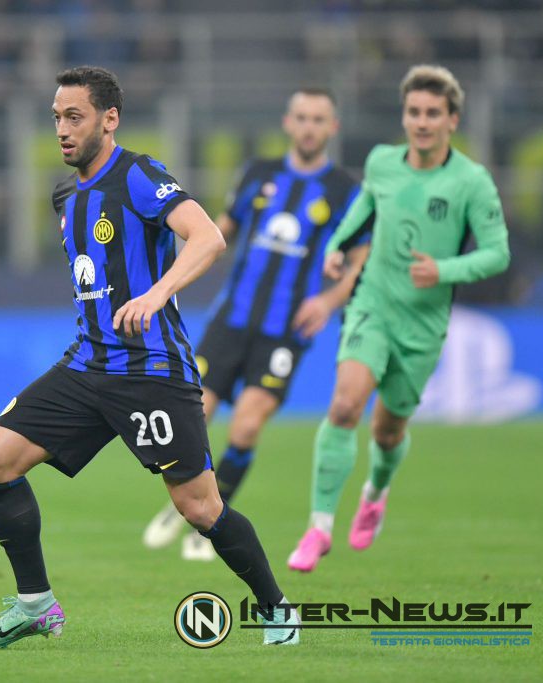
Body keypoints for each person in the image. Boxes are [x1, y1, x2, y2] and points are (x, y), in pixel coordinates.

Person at [0, 66, 300, 648]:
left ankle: (277, 610)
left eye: (75, 117)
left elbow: (209, 238)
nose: (63, 130)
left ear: (109, 118)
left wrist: (157, 291)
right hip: (89, 364)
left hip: (151, 371)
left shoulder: (140, 175)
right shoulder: (66, 195)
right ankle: (35, 604)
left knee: (200, 508)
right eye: (56, 118)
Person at [287, 65, 511, 572]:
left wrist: (446, 269)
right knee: (344, 406)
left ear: (452, 120)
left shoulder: (471, 182)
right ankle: (318, 528)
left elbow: (498, 254)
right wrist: (338, 246)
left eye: (433, 113)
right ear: (404, 116)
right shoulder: (384, 162)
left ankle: (375, 492)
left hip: (424, 325)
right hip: (373, 305)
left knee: (387, 433)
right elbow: (364, 207)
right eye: (414, 112)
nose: (422, 122)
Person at [142, 88, 371, 561]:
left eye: (318, 119)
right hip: (233, 318)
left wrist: (329, 300)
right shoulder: (257, 174)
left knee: (246, 426)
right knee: (193, 417)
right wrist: (171, 269)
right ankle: (190, 504)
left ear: (333, 128)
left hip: (287, 330)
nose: (309, 126)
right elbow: (219, 228)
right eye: (302, 117)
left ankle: (211, 518)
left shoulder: (346, 192)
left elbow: (361, 259)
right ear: (288, 122)